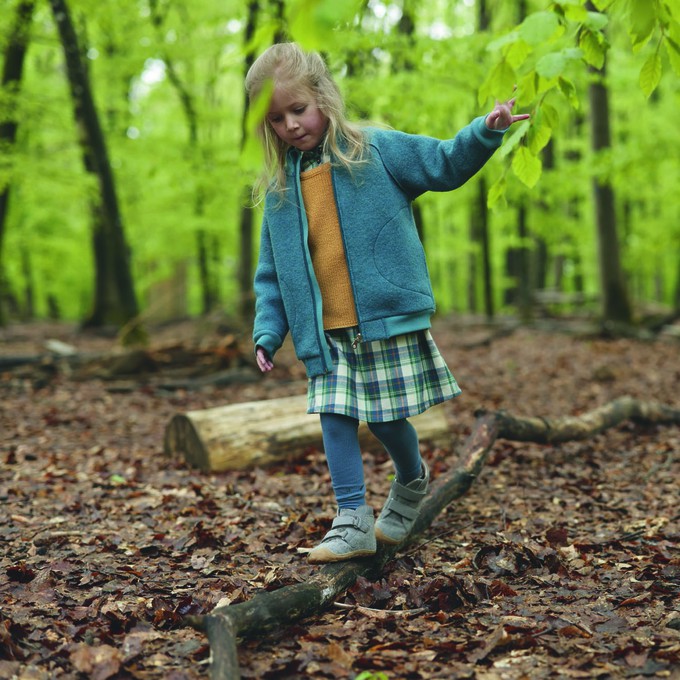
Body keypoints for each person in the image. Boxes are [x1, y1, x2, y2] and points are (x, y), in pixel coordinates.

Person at [245, 42, 529, 564]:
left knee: (385, 420)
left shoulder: (373, 150)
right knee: (334, 416)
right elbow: (272, 275)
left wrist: (485, 130)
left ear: (323, 97)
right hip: (326, 332)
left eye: (298, 109)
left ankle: (411, 480)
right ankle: (351, 517)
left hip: (384, 316)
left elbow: (443, 164)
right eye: (276, 118)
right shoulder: (279, 192)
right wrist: (269, 330)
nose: (290, 125)